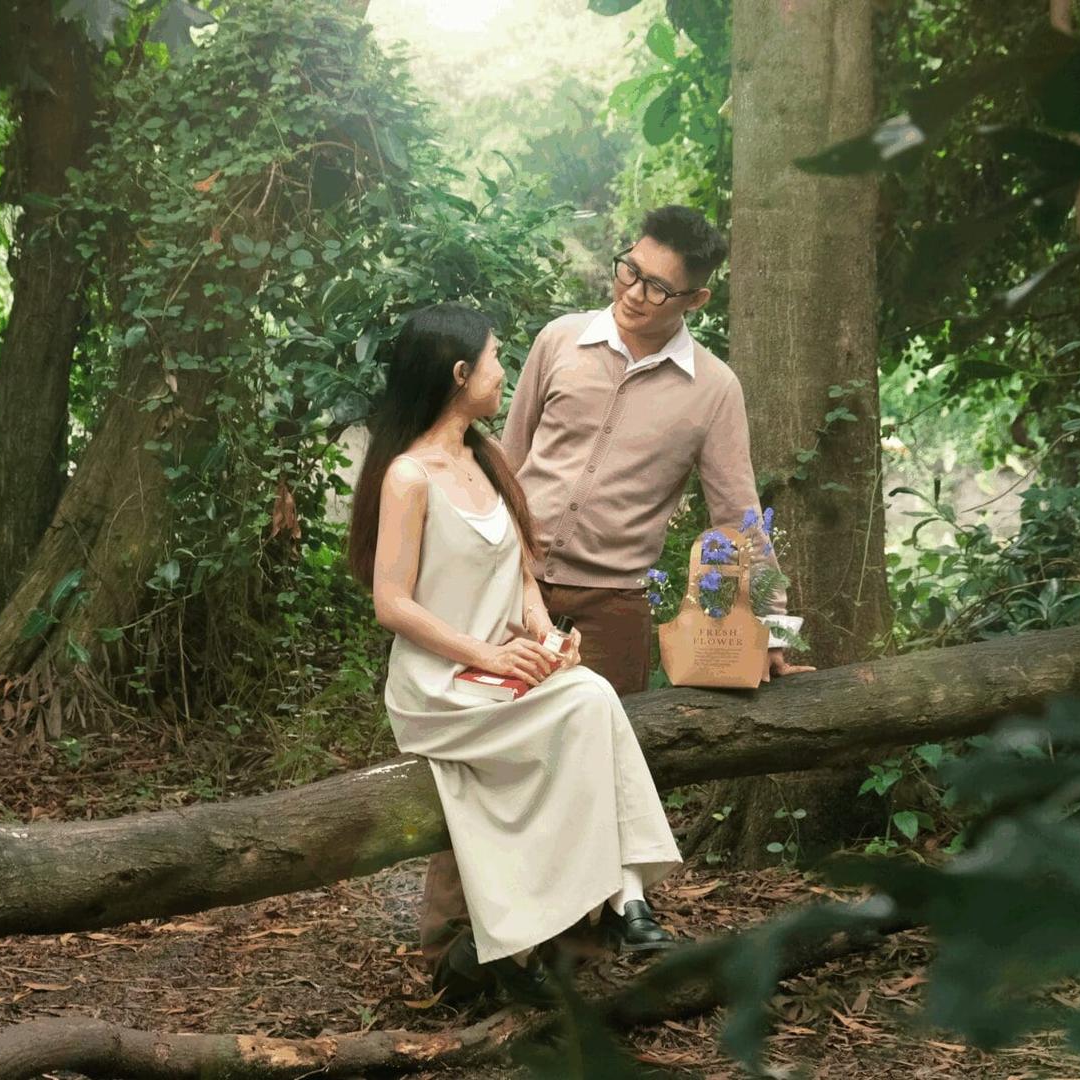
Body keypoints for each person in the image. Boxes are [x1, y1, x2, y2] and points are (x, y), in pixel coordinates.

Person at [416, 205, 815, 990]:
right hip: (508, 587)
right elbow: (503, 460)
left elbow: (737, 516)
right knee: (477, 759)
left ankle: (560, 968)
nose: (634, 292)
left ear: (696, 299)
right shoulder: (559, 341)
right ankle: (451, 954)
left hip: (612, 606)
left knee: (585, 780)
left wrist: (773, 630)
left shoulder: (713, 390)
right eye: (629, 270)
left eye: (658, 287)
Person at [347, 303, 683, 1003]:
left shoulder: (487, 457)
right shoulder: (408, 477)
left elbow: (522, 574)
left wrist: (546, 635)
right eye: (496, 358)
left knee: (587, 694)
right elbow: (392, 604)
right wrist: (491, 656)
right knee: (590, 701)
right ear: (459, 373)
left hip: (497, 672)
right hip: (441, 686)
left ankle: (580, 915)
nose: (505, 371)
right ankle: (622, 900)